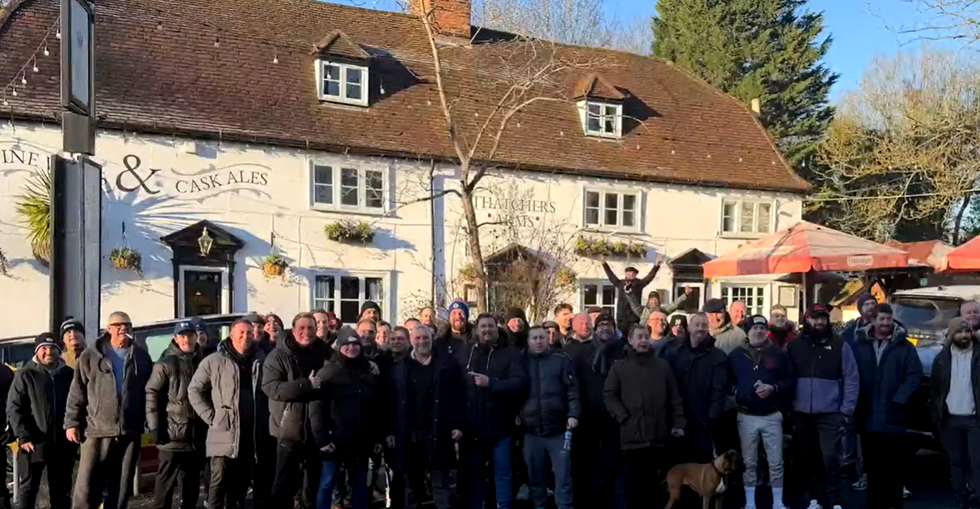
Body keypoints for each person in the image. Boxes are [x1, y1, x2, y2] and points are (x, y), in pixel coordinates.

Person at [65, 311, 153, 509]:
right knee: (87, 484)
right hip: (96, 429)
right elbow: (77, 393)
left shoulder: (141, 357)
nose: (124, 329)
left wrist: (149, 421)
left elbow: (150, 392)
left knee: (121, 485)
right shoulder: (90, 356)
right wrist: (72, 423)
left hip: (129, 429)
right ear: (109, 329)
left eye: (128, 325)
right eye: (119, 325)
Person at [189, 318, 270, 509]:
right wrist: (211, 417)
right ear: (231, 335)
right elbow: (194, 390)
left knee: (240, 485)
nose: (245, 337)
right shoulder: (214, 360)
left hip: (251, 433)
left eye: (249, 333)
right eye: (241, 333)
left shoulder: (261, 359)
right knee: (218, 484)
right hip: (223, 432)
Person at [604, 323, 685, 509]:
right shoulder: (619, 368)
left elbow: (674, 397)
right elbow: (609, 395)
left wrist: (678, 423)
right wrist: (623, 417)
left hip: (658, 436)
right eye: (639, 337)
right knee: (632, 489)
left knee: (655, 488)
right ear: (630, 341)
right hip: (631, 438)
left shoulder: (662, 366)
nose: (643, 341)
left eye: (646, 337)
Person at [787, 304, 859, 509]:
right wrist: (790, 406)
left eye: (823, 318)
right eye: (815, 318)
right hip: (801, 413)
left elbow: (851, 377)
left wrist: (846, 410)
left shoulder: (839, 344)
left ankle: (835, 500)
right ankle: (815, 499)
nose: (819, 322)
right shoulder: (794, 346)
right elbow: (786, 376)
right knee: (809, 459)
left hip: (831, 413)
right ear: (806, 320)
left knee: (830, 458)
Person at [853, 303, 922, 509]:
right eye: (881, 319)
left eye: (888, 319)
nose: (885, 323)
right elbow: (850, 375)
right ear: (872, 320)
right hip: (867, 414)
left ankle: (894, 504)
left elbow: (914, 376)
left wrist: (899, 400)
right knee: (873, 466)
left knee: (894, 466)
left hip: (894, 415)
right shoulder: (860, 345)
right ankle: (875, 504)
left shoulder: (905, 346)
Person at [311, 327, 388, 509]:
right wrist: (322, 439)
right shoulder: (327, 372)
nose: (352, 348)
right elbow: (316, 408)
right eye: (347, 344)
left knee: (360, 484)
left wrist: (377, 437)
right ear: (339, 346)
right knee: (327, 483)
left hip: (362, 441)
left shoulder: (369, 371)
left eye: (355, 344)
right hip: (334, 440)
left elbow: (377, 407)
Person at [264, 313, 334, 509]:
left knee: (312, 484)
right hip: (288, 429)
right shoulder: (278, 355)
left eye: (310, 328)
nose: (306, 332)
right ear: (293, 330)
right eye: (302, 328)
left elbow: (341, 370)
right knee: (284, 484)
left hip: (316, 430)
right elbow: (271, 388)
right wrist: (305, 385)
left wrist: (368, 363)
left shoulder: (324, 351)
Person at [463, 313, 528, 509]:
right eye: (483, 326)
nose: (487, 330)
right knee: (475, 475)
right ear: (477, 329)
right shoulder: (467, 352)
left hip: (501, 427)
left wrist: (491, 384)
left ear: (497, 329)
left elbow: (519, 383)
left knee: (503, 473)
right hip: (473, 428)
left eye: (490, 326)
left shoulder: (509, 354)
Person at [395, 324, 464, 509]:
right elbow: (392, 402)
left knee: (440, 486)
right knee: (412, 487)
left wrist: (458, 425)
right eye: (417, 338)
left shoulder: (446, 366)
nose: (422, 341)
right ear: (411, 340)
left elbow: (457, 397)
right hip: (410, 435)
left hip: (438, 432)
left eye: (425, 338)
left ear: (432, 339)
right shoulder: (401, 367)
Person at [729, 315, 794, 509]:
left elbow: (790, 379)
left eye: (761, 328)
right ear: (747, 332)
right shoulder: (736, 355)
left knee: (776, 462)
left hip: (772, 415)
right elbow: (727, 381)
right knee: (749, 462)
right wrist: (737, 391)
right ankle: (750, 503)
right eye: (754, 328)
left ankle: (778, 503)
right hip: (746, 415)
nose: (758, 331)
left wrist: (773, 388)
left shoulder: (778, 353)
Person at [563, 313, 626, 508]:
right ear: (595, 329)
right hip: (587, 418)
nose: (605, 328)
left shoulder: (623, 351)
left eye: (609, 325)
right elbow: (574, 385)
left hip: (613, 419)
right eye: (601, 325)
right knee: (584, 467)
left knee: (610, 467)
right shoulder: (583, 351)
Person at [7, 332, 75, 509]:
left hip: (62, 443)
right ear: (37, 351)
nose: (48, 352)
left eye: (52, 348)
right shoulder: (25, 375)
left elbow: (78, 404)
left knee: (61, 491)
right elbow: (14, 408)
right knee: (28, 490)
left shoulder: (69, 375)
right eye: (43, 348)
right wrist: (24, 436)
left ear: (59, 350)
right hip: (33, 443)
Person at [146, 321, 205, 509]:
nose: (187, 339)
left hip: (197, 435)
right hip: (171, 434)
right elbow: (152, 395)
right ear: (176, 338)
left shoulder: (204, 362)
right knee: (165, 484)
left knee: (191, 484)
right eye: (182, 336)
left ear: (196, 336)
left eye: (190, 335)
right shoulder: (165, 364)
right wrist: (154, 426)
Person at [520, 326, 580, 509]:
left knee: (562, 476)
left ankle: (564, 506)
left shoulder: (560, 360)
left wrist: (574, 414)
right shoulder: (520, 361)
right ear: (528, 341)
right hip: (531, 430)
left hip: (558, 428)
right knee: (535, 477)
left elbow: (573, 390)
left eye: (542, 338)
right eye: (534, 338)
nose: (538, 341)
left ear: (548, 340)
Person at [931, 317, 980, 509]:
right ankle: (960, 495)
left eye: (967, 331)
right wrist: (937, 416)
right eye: (960, 332)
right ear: (952, 335)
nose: (964, 335)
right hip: (950, 418)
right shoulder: (942, 359)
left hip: (975, 418)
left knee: (977, 462)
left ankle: (977, 496)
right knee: (956, 461)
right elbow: (935, 390)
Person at [666, 312, 727, 462]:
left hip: (703, 419)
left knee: (701, 465)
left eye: (704, 325)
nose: (700, 328)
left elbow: (719, 389)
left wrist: (712, 417)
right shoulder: (674, 353)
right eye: (697, 324)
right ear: (689, 328)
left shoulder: (718, 356)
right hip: (677, 417)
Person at [838, 293, 876, 489]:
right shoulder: (850, 331)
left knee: (868, 431)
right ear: (860, 309)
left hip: (873, 387)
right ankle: (848, 462)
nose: (870, 307)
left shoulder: (885, 328)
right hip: (852, 384)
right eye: (866, 304)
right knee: (849, 426)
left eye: (873, 303)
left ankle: (866, 470)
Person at [601, 260, 661, 333]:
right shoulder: (620, 283)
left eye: (633, 273)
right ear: (625, 273)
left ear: (636, 275)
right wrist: (604, 264)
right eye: (629, 272)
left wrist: (656, 266)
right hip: (622, 317)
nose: (631, 274)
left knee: (634, 335)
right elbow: (611, 276)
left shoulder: (639, 284)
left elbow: (649, 277)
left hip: (634, 317)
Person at [435, 301, 471, 371]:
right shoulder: (441, 342)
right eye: (453, 314)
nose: (458, 316)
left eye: (461, 313)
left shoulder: (476, 339)